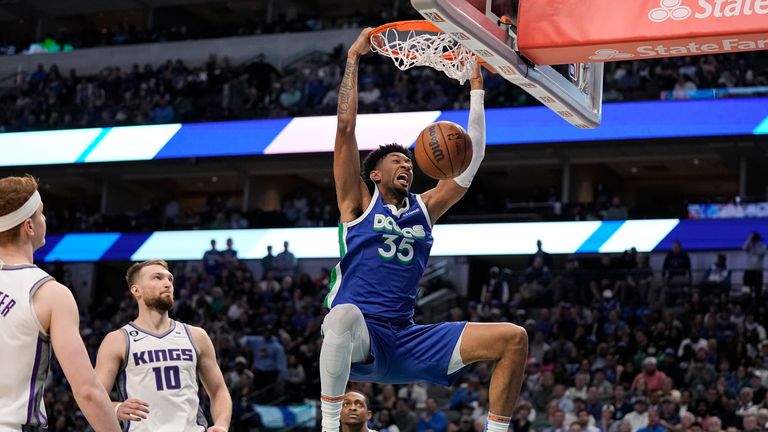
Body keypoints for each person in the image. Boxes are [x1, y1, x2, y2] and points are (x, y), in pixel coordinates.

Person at [319, 28, 528, 432]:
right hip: (361, 338)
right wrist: (353, 59)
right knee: (341, 315)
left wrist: (476, 89)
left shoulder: (425, 208)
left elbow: (472, 160)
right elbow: (345, 130)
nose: (406, 165)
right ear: (374, 173)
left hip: (407, 337)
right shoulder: (357, 203)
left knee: (513, 338)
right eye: (397, 161)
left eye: (409, 162)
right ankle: (329, 427)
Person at [0, 175, 121, 431]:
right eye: (42, 213)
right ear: (29, 227)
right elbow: (87, 390)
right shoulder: (49, 293)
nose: (45, 219)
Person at [94, 259, 231, 431]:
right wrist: (116, 408)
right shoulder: (118, 340)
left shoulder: (196, 336)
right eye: (157, 278)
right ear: (137, 290)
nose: (167, 284)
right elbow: (95, 397)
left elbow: (219, 391)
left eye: (170, 279)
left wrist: (221, 424)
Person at [742, 231, 766, 315]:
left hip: (757, 272)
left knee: (757, 292)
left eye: (755, 238)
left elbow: (761, 252)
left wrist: (757, 243)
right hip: (748, 272)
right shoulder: (749, 246)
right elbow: (743, 247)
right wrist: (749, 239)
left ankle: (757, 308)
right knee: (746, 291)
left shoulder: (762, 246)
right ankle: (746, 306)